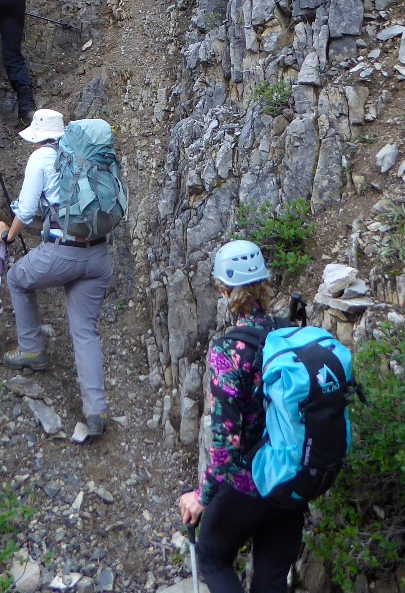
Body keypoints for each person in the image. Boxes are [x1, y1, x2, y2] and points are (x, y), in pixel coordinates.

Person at [178, 240, 306, 593]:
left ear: (223, 291)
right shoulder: (289, 333)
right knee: (270, 580)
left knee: (211, 557)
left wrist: (201, 497)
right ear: (264, 283)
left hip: (251, 483)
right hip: (293, 479)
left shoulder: (229, 351)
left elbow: (225, 446)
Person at [0, 108, 111, 439]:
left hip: (63, 251)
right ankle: (96, 412)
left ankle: (31, 349)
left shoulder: (41, 158)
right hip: (98, 254)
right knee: (85, 331)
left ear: (38, 136)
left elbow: (27, 209)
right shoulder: (85, 157)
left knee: (17, 279)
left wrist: (8, 234)